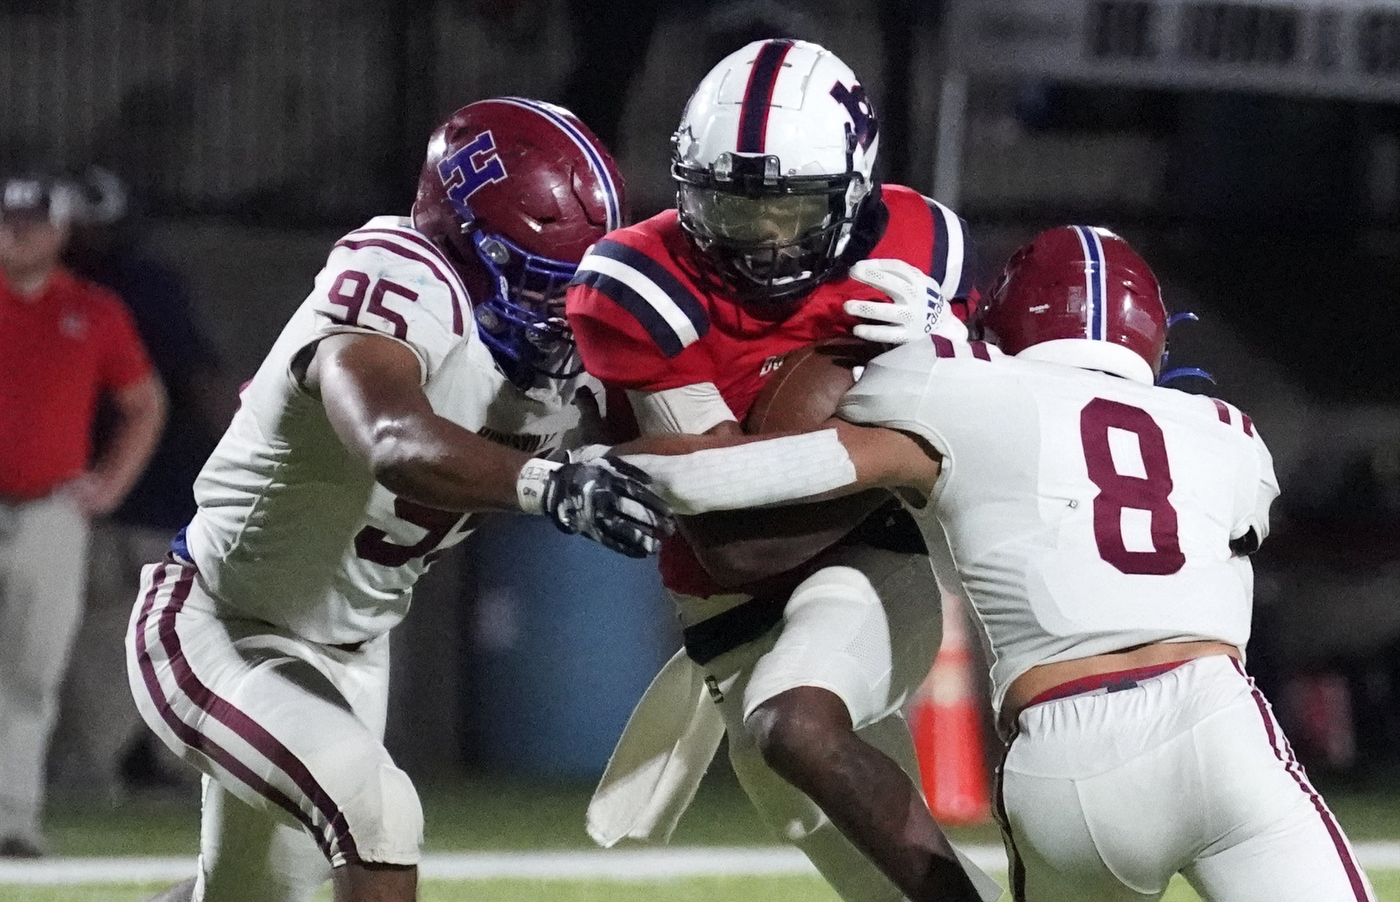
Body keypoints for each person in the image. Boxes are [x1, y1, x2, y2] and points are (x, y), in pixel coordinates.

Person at [622, 225, 1375, 901]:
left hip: (1061, 761)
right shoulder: (1229, 430)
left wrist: (585, 469)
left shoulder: (956, 385)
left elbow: (745, 473)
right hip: (1214, 725)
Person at [126, 98, 669, 902]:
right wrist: (548, 482)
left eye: (577, 283)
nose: (561, 310)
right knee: (378, 812)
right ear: (468, 245)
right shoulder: (404, 272)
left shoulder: (560, 357)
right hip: (219, 622)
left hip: (350, 651)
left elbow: (682, 434)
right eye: (540, 279)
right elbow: (391, 437)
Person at [567, 39, 998, 902]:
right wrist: (864, 393)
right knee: (870, 864)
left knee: (795, 727)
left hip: (880, 558)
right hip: (729, 606)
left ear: (855, 187)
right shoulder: (639, 282)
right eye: (731, 209)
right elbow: (736, 541)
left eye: (791, 211)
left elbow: (988, 443)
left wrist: (954, 351)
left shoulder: (921, 244)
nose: (761, 241)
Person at [0, 171, 167, 857]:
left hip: (48, 511)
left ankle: (12, 821)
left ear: (61, 230)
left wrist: (109, 484)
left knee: (31, 672)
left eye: (34, 222)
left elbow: (144, 401)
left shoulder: (93, 310)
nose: (19, 232)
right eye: (10, 220)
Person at [54, 165, 234, 802]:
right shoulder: (106, 288)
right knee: (130, 637)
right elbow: (197, 379)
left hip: (125, 489)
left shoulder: (103, 289)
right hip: (116, 492)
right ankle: (99, 772)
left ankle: (118, 769)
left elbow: (183, 383)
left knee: (119, 635)